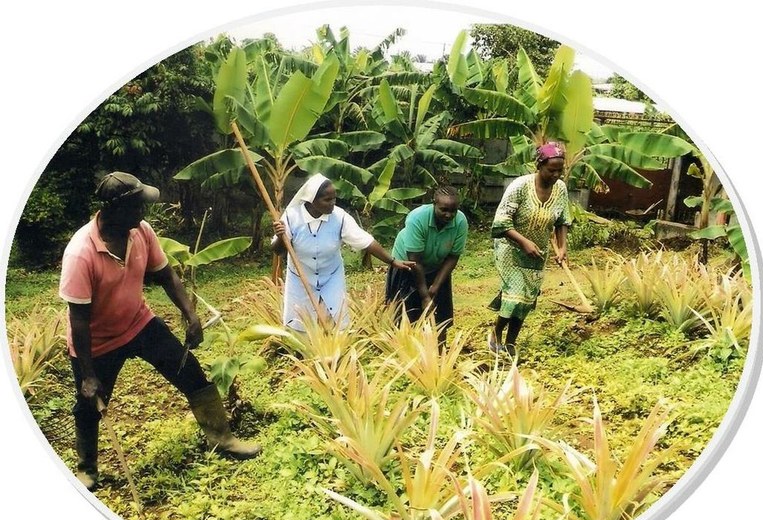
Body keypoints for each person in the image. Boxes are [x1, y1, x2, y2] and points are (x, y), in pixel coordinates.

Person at [60, 171, 261, 491]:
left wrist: (190, 314)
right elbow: (79, 320)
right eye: (138, 206)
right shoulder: (80, 253)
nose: (144, 212)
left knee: (190, 372)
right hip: (96, 342)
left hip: (138, 322)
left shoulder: (142, 232)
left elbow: (166, 275)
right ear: (116, 209)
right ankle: (87, 470)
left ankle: (222, 439)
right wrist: (87, 374)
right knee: (89, 403)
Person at [271, 173, 411, 331]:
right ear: (311, 200)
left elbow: (366, 241)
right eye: (327, 200)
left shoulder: (340, 217)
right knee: (300, 324)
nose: (333, 203)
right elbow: (278, 251)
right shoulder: (291, 217)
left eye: (334, 199)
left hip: (331, 277)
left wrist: (392, 261)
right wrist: (280, 236)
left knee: (335, 321)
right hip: (300, 279)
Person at [489, 142, 573, 356]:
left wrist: (562, 247)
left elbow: (562, 220)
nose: (556, 175)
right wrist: (523, 242)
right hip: (510, 248)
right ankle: (496, 333)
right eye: (551, 170)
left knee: (527, 299)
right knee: (515, 295)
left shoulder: (560, 189)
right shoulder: (520, 186)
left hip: (538, 252)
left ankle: (511, 343)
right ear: (539, 165)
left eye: (560, 170)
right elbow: (501, 222)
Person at [384, 185, 468, 345]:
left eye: (453, 210)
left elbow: (453, 257)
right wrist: (424, 295)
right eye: (444, 210)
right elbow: (415, 261)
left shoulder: (460, 221)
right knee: (405, 314)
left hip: (437, 267)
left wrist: (435, 287)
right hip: (407, 266)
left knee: (439, 315)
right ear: (434, 204)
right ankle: (404, 350)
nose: (449, 215)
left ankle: (439, 353)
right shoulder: (417, 218)